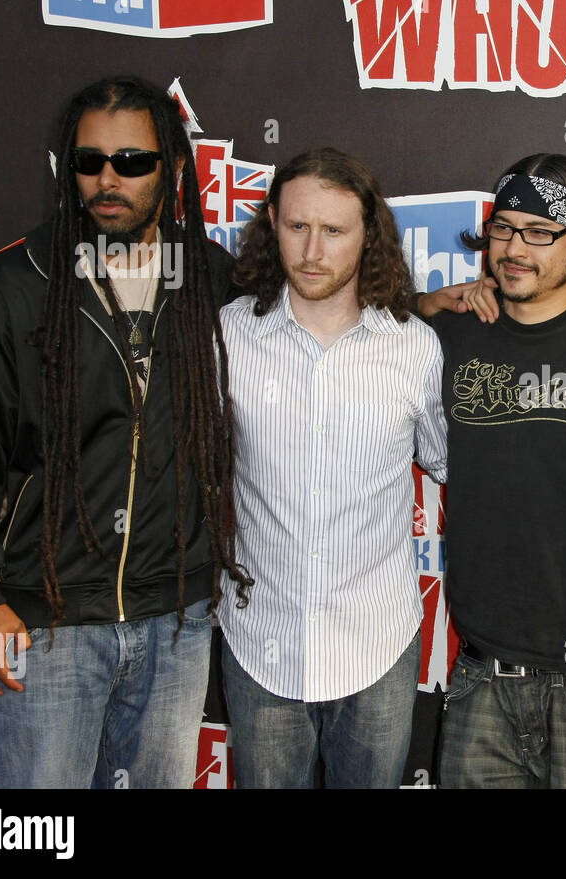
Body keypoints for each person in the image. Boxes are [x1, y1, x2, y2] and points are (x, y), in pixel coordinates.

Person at [0, 75, 249, 788]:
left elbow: (316, 311)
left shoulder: (208, 276)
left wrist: (427, 302)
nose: (108, 179)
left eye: (132, 161)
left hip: (176, 615)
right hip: (46, 620)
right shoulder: (13, 281)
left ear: (171, 168)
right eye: (89, 161)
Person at [217, 148, 448, 788]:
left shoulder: (413, 348)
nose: (312, 250)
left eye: (335, 230)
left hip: (379, 641)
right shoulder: (227, 338)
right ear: (272, 222)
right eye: (297, 227)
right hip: (260, 640)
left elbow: (454, 461)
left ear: (368, 235)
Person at [427, 154, 566, 788]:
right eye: (502, 227)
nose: (513, 248)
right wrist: (423, 298)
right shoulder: (450, 334)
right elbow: (351, 310)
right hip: (480, 674)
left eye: (539, 232)